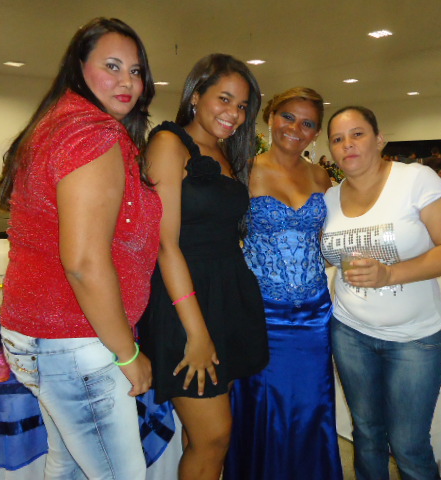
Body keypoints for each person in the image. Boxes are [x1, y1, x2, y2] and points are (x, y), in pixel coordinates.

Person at [0, 18, 161, 479]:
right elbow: (85, 263)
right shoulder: (91, 134)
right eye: (112, 66)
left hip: (43, 334)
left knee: (68, 464)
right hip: (73, 339)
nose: (127, 81)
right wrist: (128, 354)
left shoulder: (60, 124)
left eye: (135, 71)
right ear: (79, 68)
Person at [322, 106, 441, 480]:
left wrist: (390, 274)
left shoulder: (415, 180)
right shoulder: (329, 198)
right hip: (350, 333)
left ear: (379, 139)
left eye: (357, 134)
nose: (347, 144)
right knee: (366, 434)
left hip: (414, 338)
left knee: (409, 445)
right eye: (338, 139)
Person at [137, 54, 268, 480]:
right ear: (196, 95)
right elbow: (165, 245)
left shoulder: (226, 151)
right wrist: (196, 332)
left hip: (225, 297)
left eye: (242, 105)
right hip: (185, 302)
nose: (234, 113)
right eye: (224, 99)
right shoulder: (169, 143)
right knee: (214, 437)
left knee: (203, 439)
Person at [224, 88, 343, 480]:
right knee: (264, 406)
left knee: (311, 406)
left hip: (315, 316)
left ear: (316, 133)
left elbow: (327, 245)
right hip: (261, 314)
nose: (295, 128)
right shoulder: (243, 170)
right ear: (271, 118)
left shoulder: (321, 175)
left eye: (307, 123)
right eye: (288, 117)